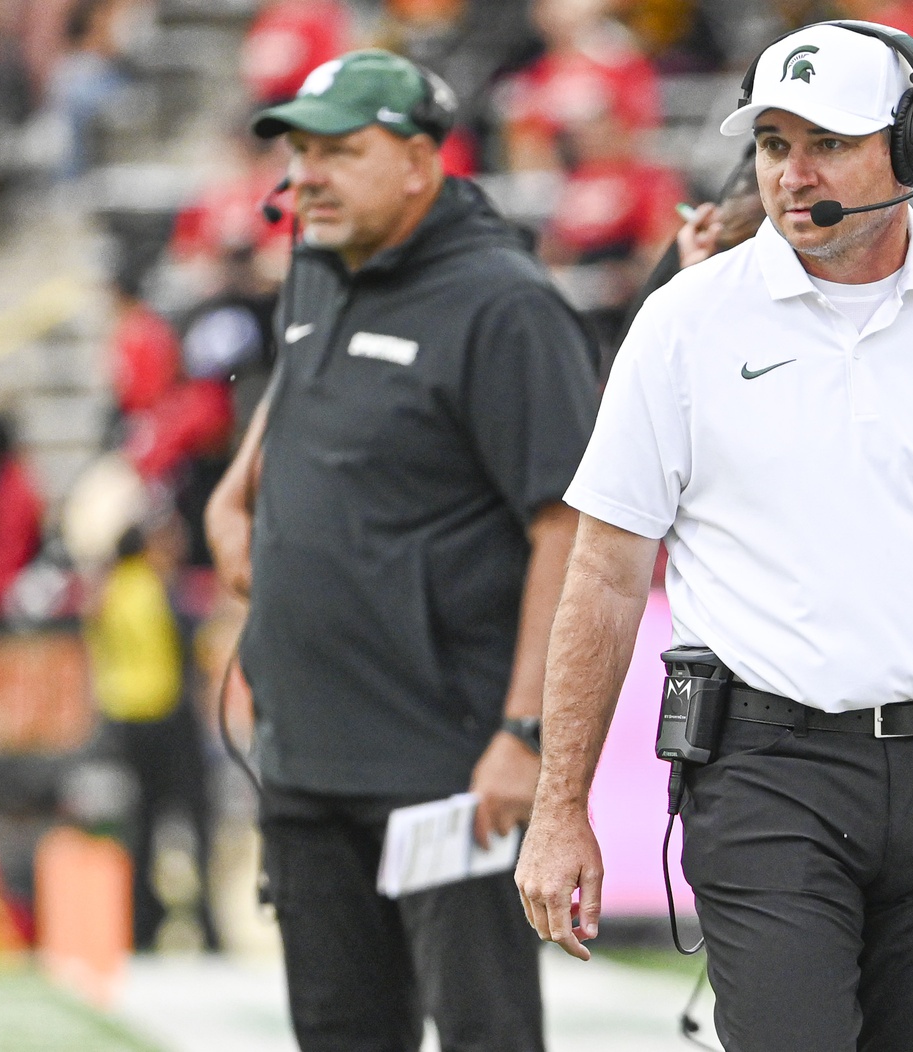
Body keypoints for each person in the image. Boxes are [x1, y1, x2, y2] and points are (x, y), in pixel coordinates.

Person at [515, 21, 913, 1051]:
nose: (790, 173)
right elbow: (601, 572)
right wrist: (561, 805)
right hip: (768, 766)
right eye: (773, 143)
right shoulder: (687, 321)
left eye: (825, 142)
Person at [203, 49, 599, 1052]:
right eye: (298, 150)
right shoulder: (318, 262)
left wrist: (524, 731)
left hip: (445, 761)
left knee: (482, 1030)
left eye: (339, 149)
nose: (307, 175)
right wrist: (233, 494)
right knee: (337, 1030)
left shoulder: (506, 305)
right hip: (305, 754)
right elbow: (296, 393)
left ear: (420, 161)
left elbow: (568, 526)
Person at [86, 503, 219, 952]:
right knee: (196, 819)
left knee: (142, 824)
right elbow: (188, 648)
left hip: (126, 719)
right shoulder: (158, 589)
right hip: (167, 715)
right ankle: (206, 923)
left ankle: (140, 925)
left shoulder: (111, 590)